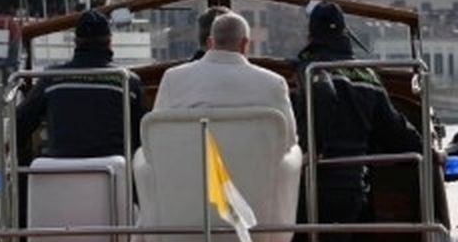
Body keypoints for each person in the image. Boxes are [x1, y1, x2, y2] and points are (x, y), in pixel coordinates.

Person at [292, 0, 421, 242]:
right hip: (352, 184)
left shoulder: (306, 69)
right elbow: (397, 132)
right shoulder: (367, 74)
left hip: (308, 182)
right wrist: (428, 150)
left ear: (311, 34)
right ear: (344, 33)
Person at [15, 9, 146, 164]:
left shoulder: (50, 79)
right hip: (112, 179)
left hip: (61, 177)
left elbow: (19, 124)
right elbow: (143, 137)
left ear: (76, 42)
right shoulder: (128, 81)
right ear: (110, 41)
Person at [152, 12, 296, 148]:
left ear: (210, 42)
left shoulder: (173, 78)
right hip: (255, 172)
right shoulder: (274, 83)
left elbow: (157, 134)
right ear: (245, 43)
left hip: (191, 172)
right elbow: (288, 140)